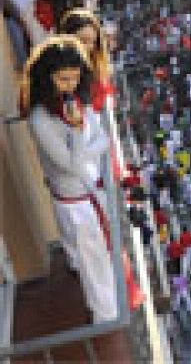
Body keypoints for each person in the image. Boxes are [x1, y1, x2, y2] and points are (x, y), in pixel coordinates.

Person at [25, 36, 118, 323]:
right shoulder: (41, 119)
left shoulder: (77, 99)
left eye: (76, 78)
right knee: (95, 265)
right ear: (47, 77)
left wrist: (85, 144)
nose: (70, 85)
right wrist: (79, 133)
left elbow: (104, 138)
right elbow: (72, 166)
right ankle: (107, 317)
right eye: (63, 79)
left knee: (101, 258)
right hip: (75, 201)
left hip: (90, 189)